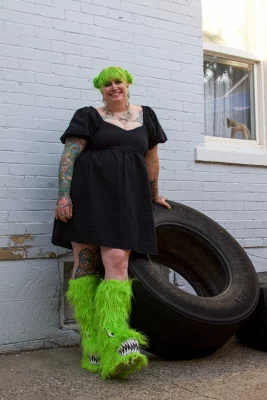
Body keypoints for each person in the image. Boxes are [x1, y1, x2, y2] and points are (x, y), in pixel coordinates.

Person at [52, 66, 170, 380]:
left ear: (128, 84)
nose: (113, 87)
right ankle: (91, 340)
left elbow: (151, 158)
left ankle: (114, 337)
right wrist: (64, 195)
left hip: (127, 199)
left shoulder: (147, 116)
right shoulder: (89, 115)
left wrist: (155, 193)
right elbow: (69, 155)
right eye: (106, 84)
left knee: (117, 259)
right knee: (85, 263)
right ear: (100, 90)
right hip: (88, 195)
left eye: (118, 81)